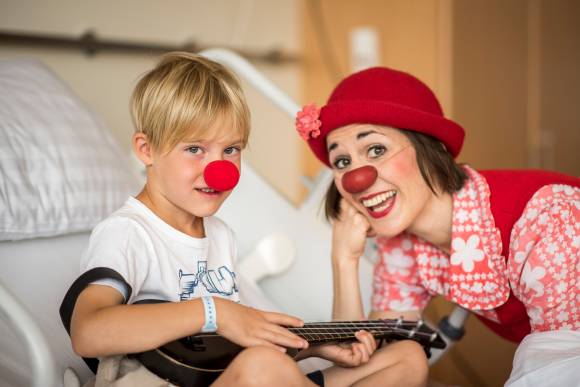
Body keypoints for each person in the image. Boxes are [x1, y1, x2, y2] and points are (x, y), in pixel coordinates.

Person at [59, 52, 426, 387]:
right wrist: (214, 311)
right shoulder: (127, 233)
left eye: (230, 150)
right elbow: (88, 332)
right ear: (146, 150)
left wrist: (310, 348)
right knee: (264, 367)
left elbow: (214, 353)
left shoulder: (219, 235)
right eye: (194, 149)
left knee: (406, 358)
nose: (219, 170)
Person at [295, 66, 580, 386]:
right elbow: (370, 367)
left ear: (432, 149)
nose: (356, 178)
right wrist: (344, 260)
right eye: (342, 162)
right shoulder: (401, 246)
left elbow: (562, 367)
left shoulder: (551, 222)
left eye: (376, 149)